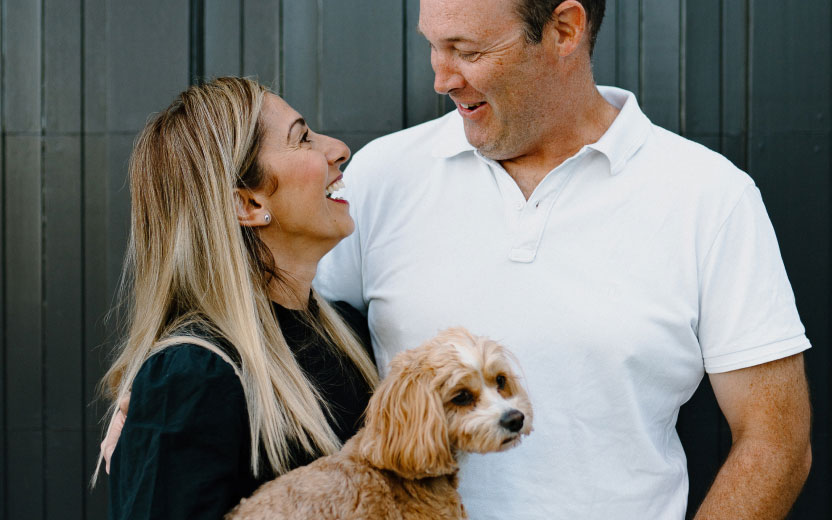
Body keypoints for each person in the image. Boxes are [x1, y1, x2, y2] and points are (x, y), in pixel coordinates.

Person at [315, 0, 813, 518]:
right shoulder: (380, 177)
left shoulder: (709, 196)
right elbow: (287, 366)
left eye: (468, 51)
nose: (442, 78)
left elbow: (774, 443)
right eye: (433, 46)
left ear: (564, 29)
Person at [95, 76, 378, 518]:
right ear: (247, 204)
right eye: (302, 138)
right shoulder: (193, 374)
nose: (338, 148)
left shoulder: (348, 333)